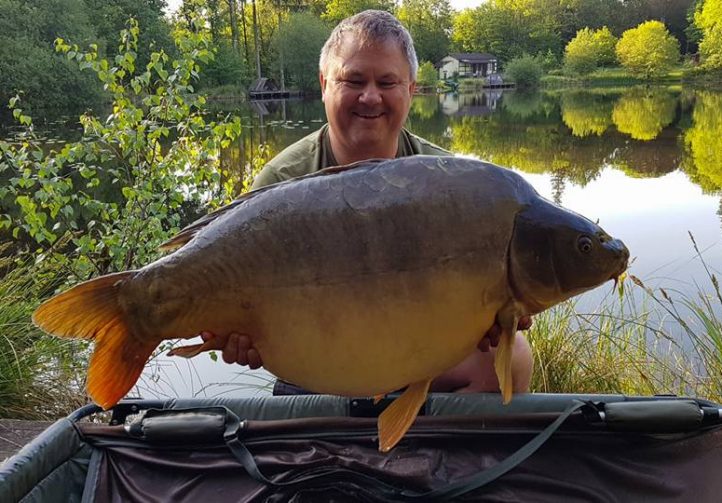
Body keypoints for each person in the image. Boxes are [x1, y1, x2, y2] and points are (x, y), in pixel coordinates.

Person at [202, 10, 534, 395]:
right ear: (325, 84)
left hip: (415, 347)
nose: (371, 96)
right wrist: (238, 334)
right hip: (320, 355)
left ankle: (419, 450)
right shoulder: (281, 182)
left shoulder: (449, 186)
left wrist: (497, 314)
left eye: (387, 82)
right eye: (354, 80)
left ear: (411, 89)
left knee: (512, 358)